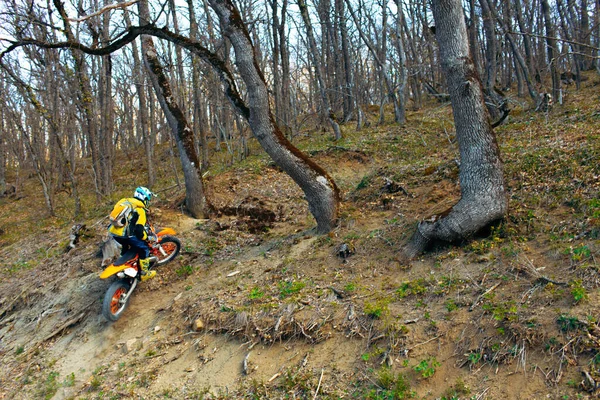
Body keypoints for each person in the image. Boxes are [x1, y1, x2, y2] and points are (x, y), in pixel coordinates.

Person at [108, 186, 157, 281]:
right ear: (144, 199)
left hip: (114, 233)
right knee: (144, 248)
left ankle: (125, 261)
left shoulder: (125, 202)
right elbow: (139, 230)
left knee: (126, 245)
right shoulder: (140, 209)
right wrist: (146, 238)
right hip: (125, 235)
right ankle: (144, 273)